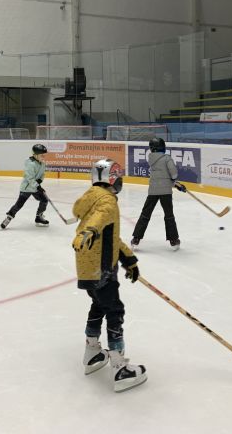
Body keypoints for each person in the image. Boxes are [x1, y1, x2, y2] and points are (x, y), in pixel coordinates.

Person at [72, 159, 147, 392]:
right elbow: (100, 219)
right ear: (111, 179)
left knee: (99, 305)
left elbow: (111, 236)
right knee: (114, 310)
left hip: (87, 267)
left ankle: (92, 352)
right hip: (101, 267)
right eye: (118, 177)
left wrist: (129, 260)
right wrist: (88, 231)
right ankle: (119, 367)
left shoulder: (91, 197)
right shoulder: (107, 200)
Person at [130, 137, 184, 251]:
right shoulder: (167, 158)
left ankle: (136, 238)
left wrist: (176, 184)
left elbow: (161, 177)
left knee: (145, 214)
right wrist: (174, 182)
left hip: (153, 191)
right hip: (166, 192)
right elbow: (173, 174)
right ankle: (173, 240)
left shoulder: (151, 159)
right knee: (169, 215)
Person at [1, 144, 50, 229]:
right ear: (35, 155)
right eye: (42, 155)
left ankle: (39, 217)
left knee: (44, 200)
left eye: (44, 155)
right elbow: (29, 178)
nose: (43, 157)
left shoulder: (42, 164)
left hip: (35, 187)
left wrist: (40, 181)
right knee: (19, 204)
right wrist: (38, 186)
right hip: (27, 188)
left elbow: (42, 174)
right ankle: (8, 218)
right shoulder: (30, 164)